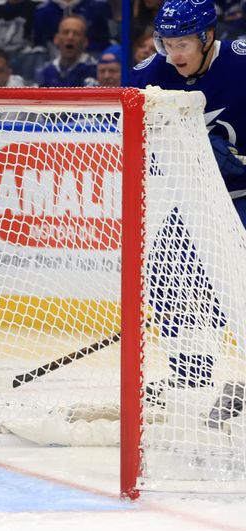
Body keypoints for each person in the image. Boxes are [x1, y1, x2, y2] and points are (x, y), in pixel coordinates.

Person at [129, 0, 246, 424]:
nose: (174, 53)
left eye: (183, 43)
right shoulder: (150, 75)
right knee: (163, 272)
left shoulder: (240, 64)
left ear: (207, 37)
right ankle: (191, 374)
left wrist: (238, 159)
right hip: (199, 201)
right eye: (167, 42)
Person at [34, 14, 98, 87]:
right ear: (56, 39)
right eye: (65, 32)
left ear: (85, 41)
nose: (70, 37)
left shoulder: (95, 70)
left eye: (76, 33)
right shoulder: (44, 72)